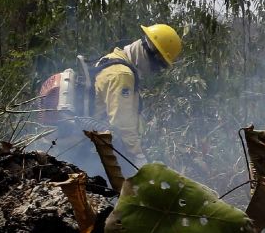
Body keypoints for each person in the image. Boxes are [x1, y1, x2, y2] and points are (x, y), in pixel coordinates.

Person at [41, 23, 182, 175]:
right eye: (158, 66)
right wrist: (138, 156)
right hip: (97, 151)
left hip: (92, 144)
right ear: (151, 54)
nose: (156, 71)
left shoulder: (112, 59)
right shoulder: (123, 75)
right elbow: (122, 124)